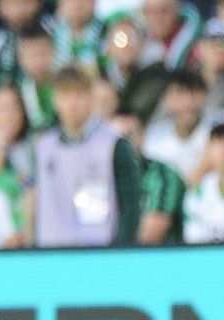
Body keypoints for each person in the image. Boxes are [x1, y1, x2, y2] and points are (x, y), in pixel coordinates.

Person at [27, 66, 145, 248]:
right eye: (65, 94)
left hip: (99, 255)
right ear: (55, 99)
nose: (72, 103)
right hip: (51, 255)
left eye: (79, 94)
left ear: (91, 98)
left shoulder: (114, 145)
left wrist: (120, 250)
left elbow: (131, 207)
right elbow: (32, 201)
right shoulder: (43, 147)